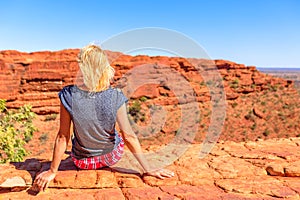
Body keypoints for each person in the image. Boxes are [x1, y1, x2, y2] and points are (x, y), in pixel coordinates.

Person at [34, 44, 174, 192]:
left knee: (78, 137)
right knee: (118, 135)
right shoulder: (115, 95)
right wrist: (148, 169)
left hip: (82, 162)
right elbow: (129, 136)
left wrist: (52, 171)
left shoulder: (68, 95)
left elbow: (63, 137)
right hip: (111, 157)